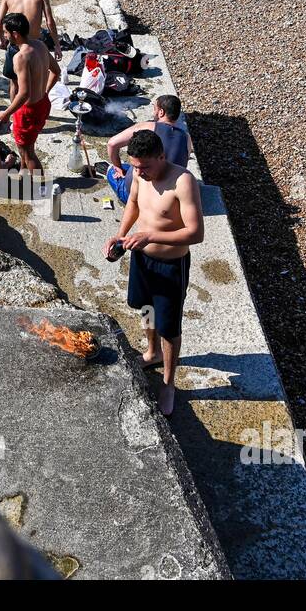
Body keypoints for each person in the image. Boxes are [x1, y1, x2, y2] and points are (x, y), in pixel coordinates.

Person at [103, 130, 205, 416]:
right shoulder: (138, 174)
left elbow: (195, 233)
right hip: (141, 259)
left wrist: (150, 236)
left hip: (171, 265)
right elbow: (133, 204)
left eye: (145, 166)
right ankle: (151, 352)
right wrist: (120, 236)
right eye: (135, 166)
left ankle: (169, 383)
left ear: (162, 157)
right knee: (145, 307)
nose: (139, 172)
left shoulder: (183, 182)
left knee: (170, 328)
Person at [0, 13, 59, 174]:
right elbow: (56, 71)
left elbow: (23, 93)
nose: (5, 36)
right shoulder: (40, 45)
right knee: (25, 147)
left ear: (15, 34)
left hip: (28, 111)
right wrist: (44, 91)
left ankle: (39, 187)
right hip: (43, 103)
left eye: (6, 33)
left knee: (28, 153)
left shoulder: (21, 57)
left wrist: (6, 113)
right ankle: (23, 173)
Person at [104, 94, 194, 203]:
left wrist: (117, 167)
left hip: (139, 197)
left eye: (154, 109)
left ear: (161, 112)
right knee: (132, 167)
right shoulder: (187, 137)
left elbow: (112, 144)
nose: (153, 113)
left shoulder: (148, 127)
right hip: (168, 198)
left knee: (113, 170)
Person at [0, 0, 61, 97]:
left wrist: (2, 41)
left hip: (15, 45)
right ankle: (43, 96)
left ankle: (13, 115)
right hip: (35, 45)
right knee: (46, 75)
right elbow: (49, 21)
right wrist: (57, 45)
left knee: (15, 83)